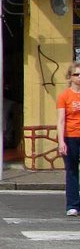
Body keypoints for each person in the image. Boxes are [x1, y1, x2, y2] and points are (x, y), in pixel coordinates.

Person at [55, 62, 80, 217]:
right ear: (70, 77)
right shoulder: (64, 96)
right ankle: (72, 205)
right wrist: (61, 141)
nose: (79, 77)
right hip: (70, 137)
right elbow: (61, 120)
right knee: (71, 171)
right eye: (76, 74)